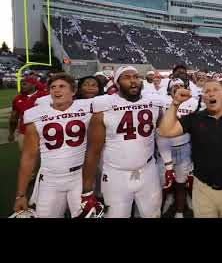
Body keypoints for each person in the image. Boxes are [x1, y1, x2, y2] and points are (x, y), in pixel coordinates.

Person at [158, 79, 222, 218]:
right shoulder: (195, 118)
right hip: (202, 189)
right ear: (203, 98)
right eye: (207, 91)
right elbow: (165, 131)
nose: (211, 94)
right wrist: (175, 104)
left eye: (215, 90)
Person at [80, 66, 163, 218]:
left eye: (136, 76)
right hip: (116, 175)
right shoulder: (104, 105)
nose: (133, 81)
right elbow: (93, 151)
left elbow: (164, 134)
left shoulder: (154, 102)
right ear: (116, 83)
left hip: (148, 171)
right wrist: (87, 190)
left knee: (153, 215)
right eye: (127, 77)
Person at [13, 73, 93, 218]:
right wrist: (20, 194)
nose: (56, 90)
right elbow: (29, 156)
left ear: (73, 91)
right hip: (50, 178)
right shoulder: (36, 115)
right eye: (53, 87)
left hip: (78, 176)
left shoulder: (87, 107)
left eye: (62, 86)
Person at [156, 78, 199, 218]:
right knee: (162, 185)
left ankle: (179, 212)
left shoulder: (193, 103)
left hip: (185, 147)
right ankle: (158, 210)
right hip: (165, 148)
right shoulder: (162, 102)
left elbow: (195, 131)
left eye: (181, 85)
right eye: (175, 86)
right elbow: (159, 130)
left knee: (181, 183)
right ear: (169, 90)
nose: (179, 88)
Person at [9, 77, 49, 151]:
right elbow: (14, 118)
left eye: (24, 84)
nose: (21, 86)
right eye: (21, 84)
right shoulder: (17, 99)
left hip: (43, 131)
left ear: (33, 85)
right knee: (26, 155)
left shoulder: (45, 95)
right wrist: (11, 133)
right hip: (24, 131)